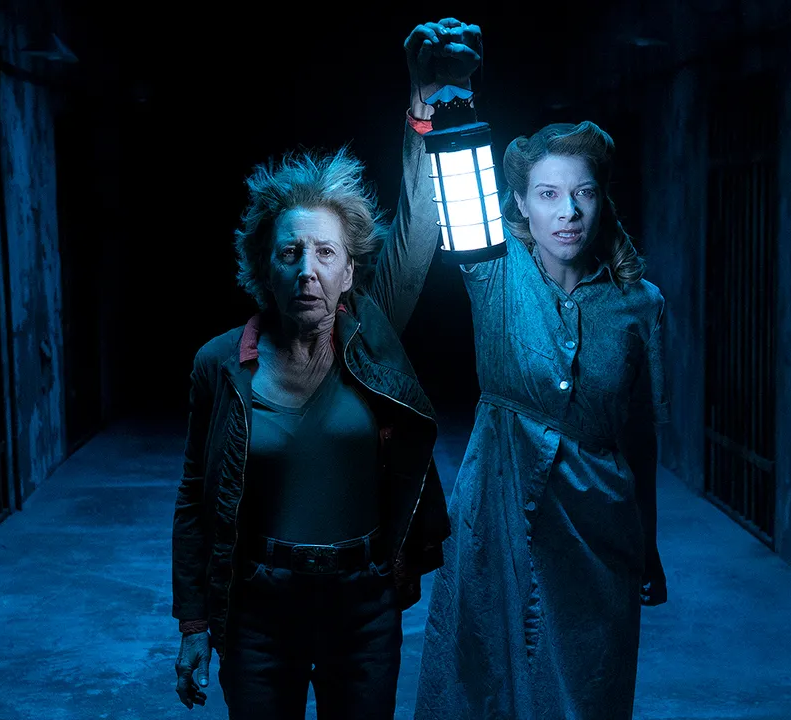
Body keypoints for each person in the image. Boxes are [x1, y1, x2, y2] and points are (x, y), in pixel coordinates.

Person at [170, 19, 483, 719]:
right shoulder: (219, 364)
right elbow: (195, 498)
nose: (306, 270)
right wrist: (193, 623)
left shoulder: (371, 336)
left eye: (325, 254)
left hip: (361, 605)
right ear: (264, 268)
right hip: (258, 609)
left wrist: (423, 109)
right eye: (289, 253)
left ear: (349, 273)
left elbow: (418, 230)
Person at [412, 115, 671, 718]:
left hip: (598, 524)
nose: (568, 212)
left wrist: (648, 541)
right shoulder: (491, 266)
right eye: (548, 194)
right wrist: (440, 108)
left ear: (602, 200)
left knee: (587, 691)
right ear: (522, 207)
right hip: (496, 512)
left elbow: (640, 437)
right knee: (481, 684)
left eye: (584, 193)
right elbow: (439, 184)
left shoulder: (641, 304)